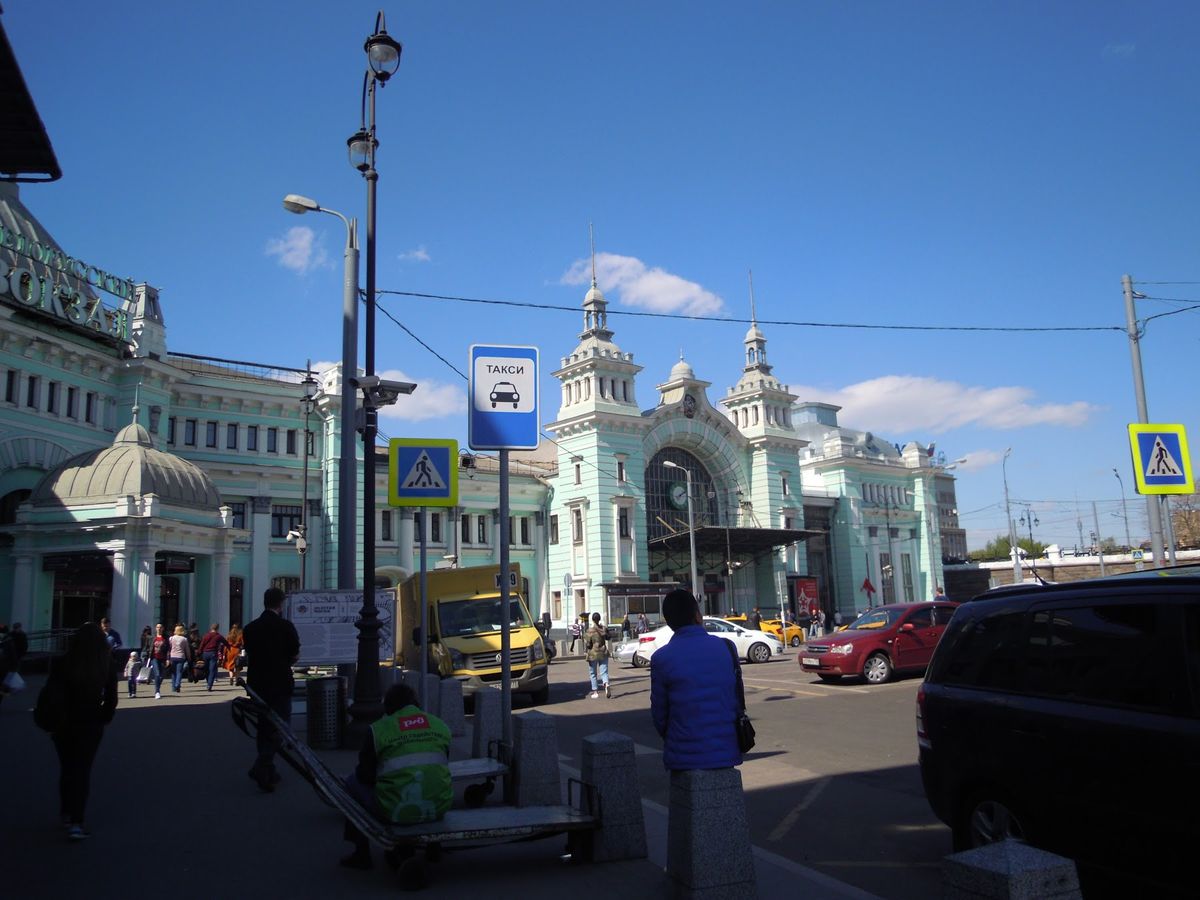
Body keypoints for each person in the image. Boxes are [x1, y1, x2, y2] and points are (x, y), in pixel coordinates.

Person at [338, 683, 452, 870]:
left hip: (394, 809)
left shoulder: (379, 730)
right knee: (432, 781)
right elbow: (442, 766)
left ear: (388, 707)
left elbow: (365, 775)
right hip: (439, 806)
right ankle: (434, 846)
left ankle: (361, 854)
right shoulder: (439, 725)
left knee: (350, 784)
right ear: (415, 703)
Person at [650, 589, 741, 771]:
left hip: (683, 756)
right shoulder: (727, 648)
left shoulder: (661, 658)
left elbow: (660, 715)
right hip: (725, 752)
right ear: (698, 616)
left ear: (669, 623)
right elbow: (736, 700)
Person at [43, 622, 119, 840]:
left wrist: (51, 719)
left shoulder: (63, 662)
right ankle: (77, 821)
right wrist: (104, 717)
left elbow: (51, 693)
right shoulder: (105, 663)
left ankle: (66, 812)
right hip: (90, 723)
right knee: (82, 770)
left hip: (63, 723)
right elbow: (111, 697)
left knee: (67, 768)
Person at [242, 586, 300, 793]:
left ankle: (268, 768)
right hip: (280, 683)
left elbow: (250, 653)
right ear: (281, 604)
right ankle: (262, 765)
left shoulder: (250, 628)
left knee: (264, 726)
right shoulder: (286, 626)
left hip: (257, 683)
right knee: (281, 726)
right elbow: (294, 654)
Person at [196, 623, 228, 692]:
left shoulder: (206, 635)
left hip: (205, 653)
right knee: (212, 670)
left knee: (206, 669)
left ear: (211, 628)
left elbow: (202, 644)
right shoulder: (218, 636)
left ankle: (208, 682)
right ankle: (209, 685)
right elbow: (226, 643)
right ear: (217, 628)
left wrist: (199, 652)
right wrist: (229, 648)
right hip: (213, 653)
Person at [584, 612, 610, 699]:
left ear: (592, 619)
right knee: (604, 672)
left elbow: (588, 644)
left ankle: (595, 692)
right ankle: (606, 684)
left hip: (593, 654)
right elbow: (608, 637)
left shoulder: (590, 631)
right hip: (603, 652)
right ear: (599, 619)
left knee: (593, 673)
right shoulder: (603, 628)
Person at [167, 624, 192, 693]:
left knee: (173, 673)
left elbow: (169, 648)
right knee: (179, 672)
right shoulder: (184, 639)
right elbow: (187, 650)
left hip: (173, 657)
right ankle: (177, 684)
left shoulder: (171, 638)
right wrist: (189, 657)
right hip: (181, 657)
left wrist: (167, 657)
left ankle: (173, 687)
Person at [149, 623, 170, 699]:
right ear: (155, 628)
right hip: (154, 658)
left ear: (163, 628)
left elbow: (168, 649)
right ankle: (157, 692)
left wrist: (168, 659)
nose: (159, 628)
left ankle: (157, 687)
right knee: (157, 674)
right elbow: (147, 647)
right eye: (157, 627)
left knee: (161, 676)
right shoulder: (152, 638)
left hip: (163, 659)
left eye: (160, 627)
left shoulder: (166, 638)